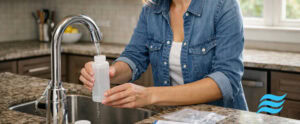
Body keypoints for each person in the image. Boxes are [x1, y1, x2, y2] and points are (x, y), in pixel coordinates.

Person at [80, 0, 248, 110]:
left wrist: (150, 95)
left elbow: (227, 79)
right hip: (174, 117)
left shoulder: (224, 5)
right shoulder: (152, 9)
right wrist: (111, 72)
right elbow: (134, 56)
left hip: (221, 118)